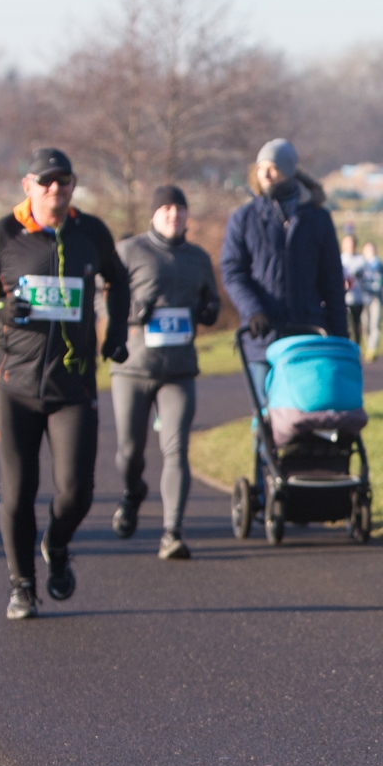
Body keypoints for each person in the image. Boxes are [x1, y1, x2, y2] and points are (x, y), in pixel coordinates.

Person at [0, 147, 131, 621]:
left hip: (73, 386)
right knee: (18, 492)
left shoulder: (90, 232)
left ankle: (57, 542)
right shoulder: (5, 234)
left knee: (77, 492)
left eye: (64, 182)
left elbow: (120, 281)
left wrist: (116, 333)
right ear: (28, 186)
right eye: (46, 182)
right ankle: (22, 586)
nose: (56, 189)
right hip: (15, 386)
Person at [110, 184, 220, 561]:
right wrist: (129, 312)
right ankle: (131, 494)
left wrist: (209, 311)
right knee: (130, 453)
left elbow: (212, 301)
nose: (174, 214)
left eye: (180, 208)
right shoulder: (129, 251)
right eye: (166, 208)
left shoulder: (198, 258)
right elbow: (100, 295)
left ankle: (172, 532)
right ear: (153, 215)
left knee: (176, 451)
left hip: (179, 371)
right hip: (132, 369)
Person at [219, 137, 345, 423]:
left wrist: (339, 337)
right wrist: (253, 311)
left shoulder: (317, 218)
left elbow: (332, 280)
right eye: (261, 167)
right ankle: (265, 466)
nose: (265, 174)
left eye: (273, 167)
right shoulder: (244, 218)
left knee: (308, 414)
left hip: (310, 335)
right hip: (263, 335)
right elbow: (232, 271)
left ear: (289, 170)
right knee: (265, 417)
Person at [359, 241, 383, 362]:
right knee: (365, 326)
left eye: (372, 249)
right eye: (368, 250)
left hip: (377, 299)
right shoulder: (361, 266)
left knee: (375, 325)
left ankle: (372, 349)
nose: (371, 252)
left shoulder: (381, 266)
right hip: (363, 299)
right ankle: (368, 346)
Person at [340, 233, 369, 346]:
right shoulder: (340, 259)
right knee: (344, 324)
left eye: (351, 243)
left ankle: (357, 347)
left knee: (356, 324)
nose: (350, 246)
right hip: (344, 298)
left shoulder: (361, 260)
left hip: (357, 298)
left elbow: (367, 277)